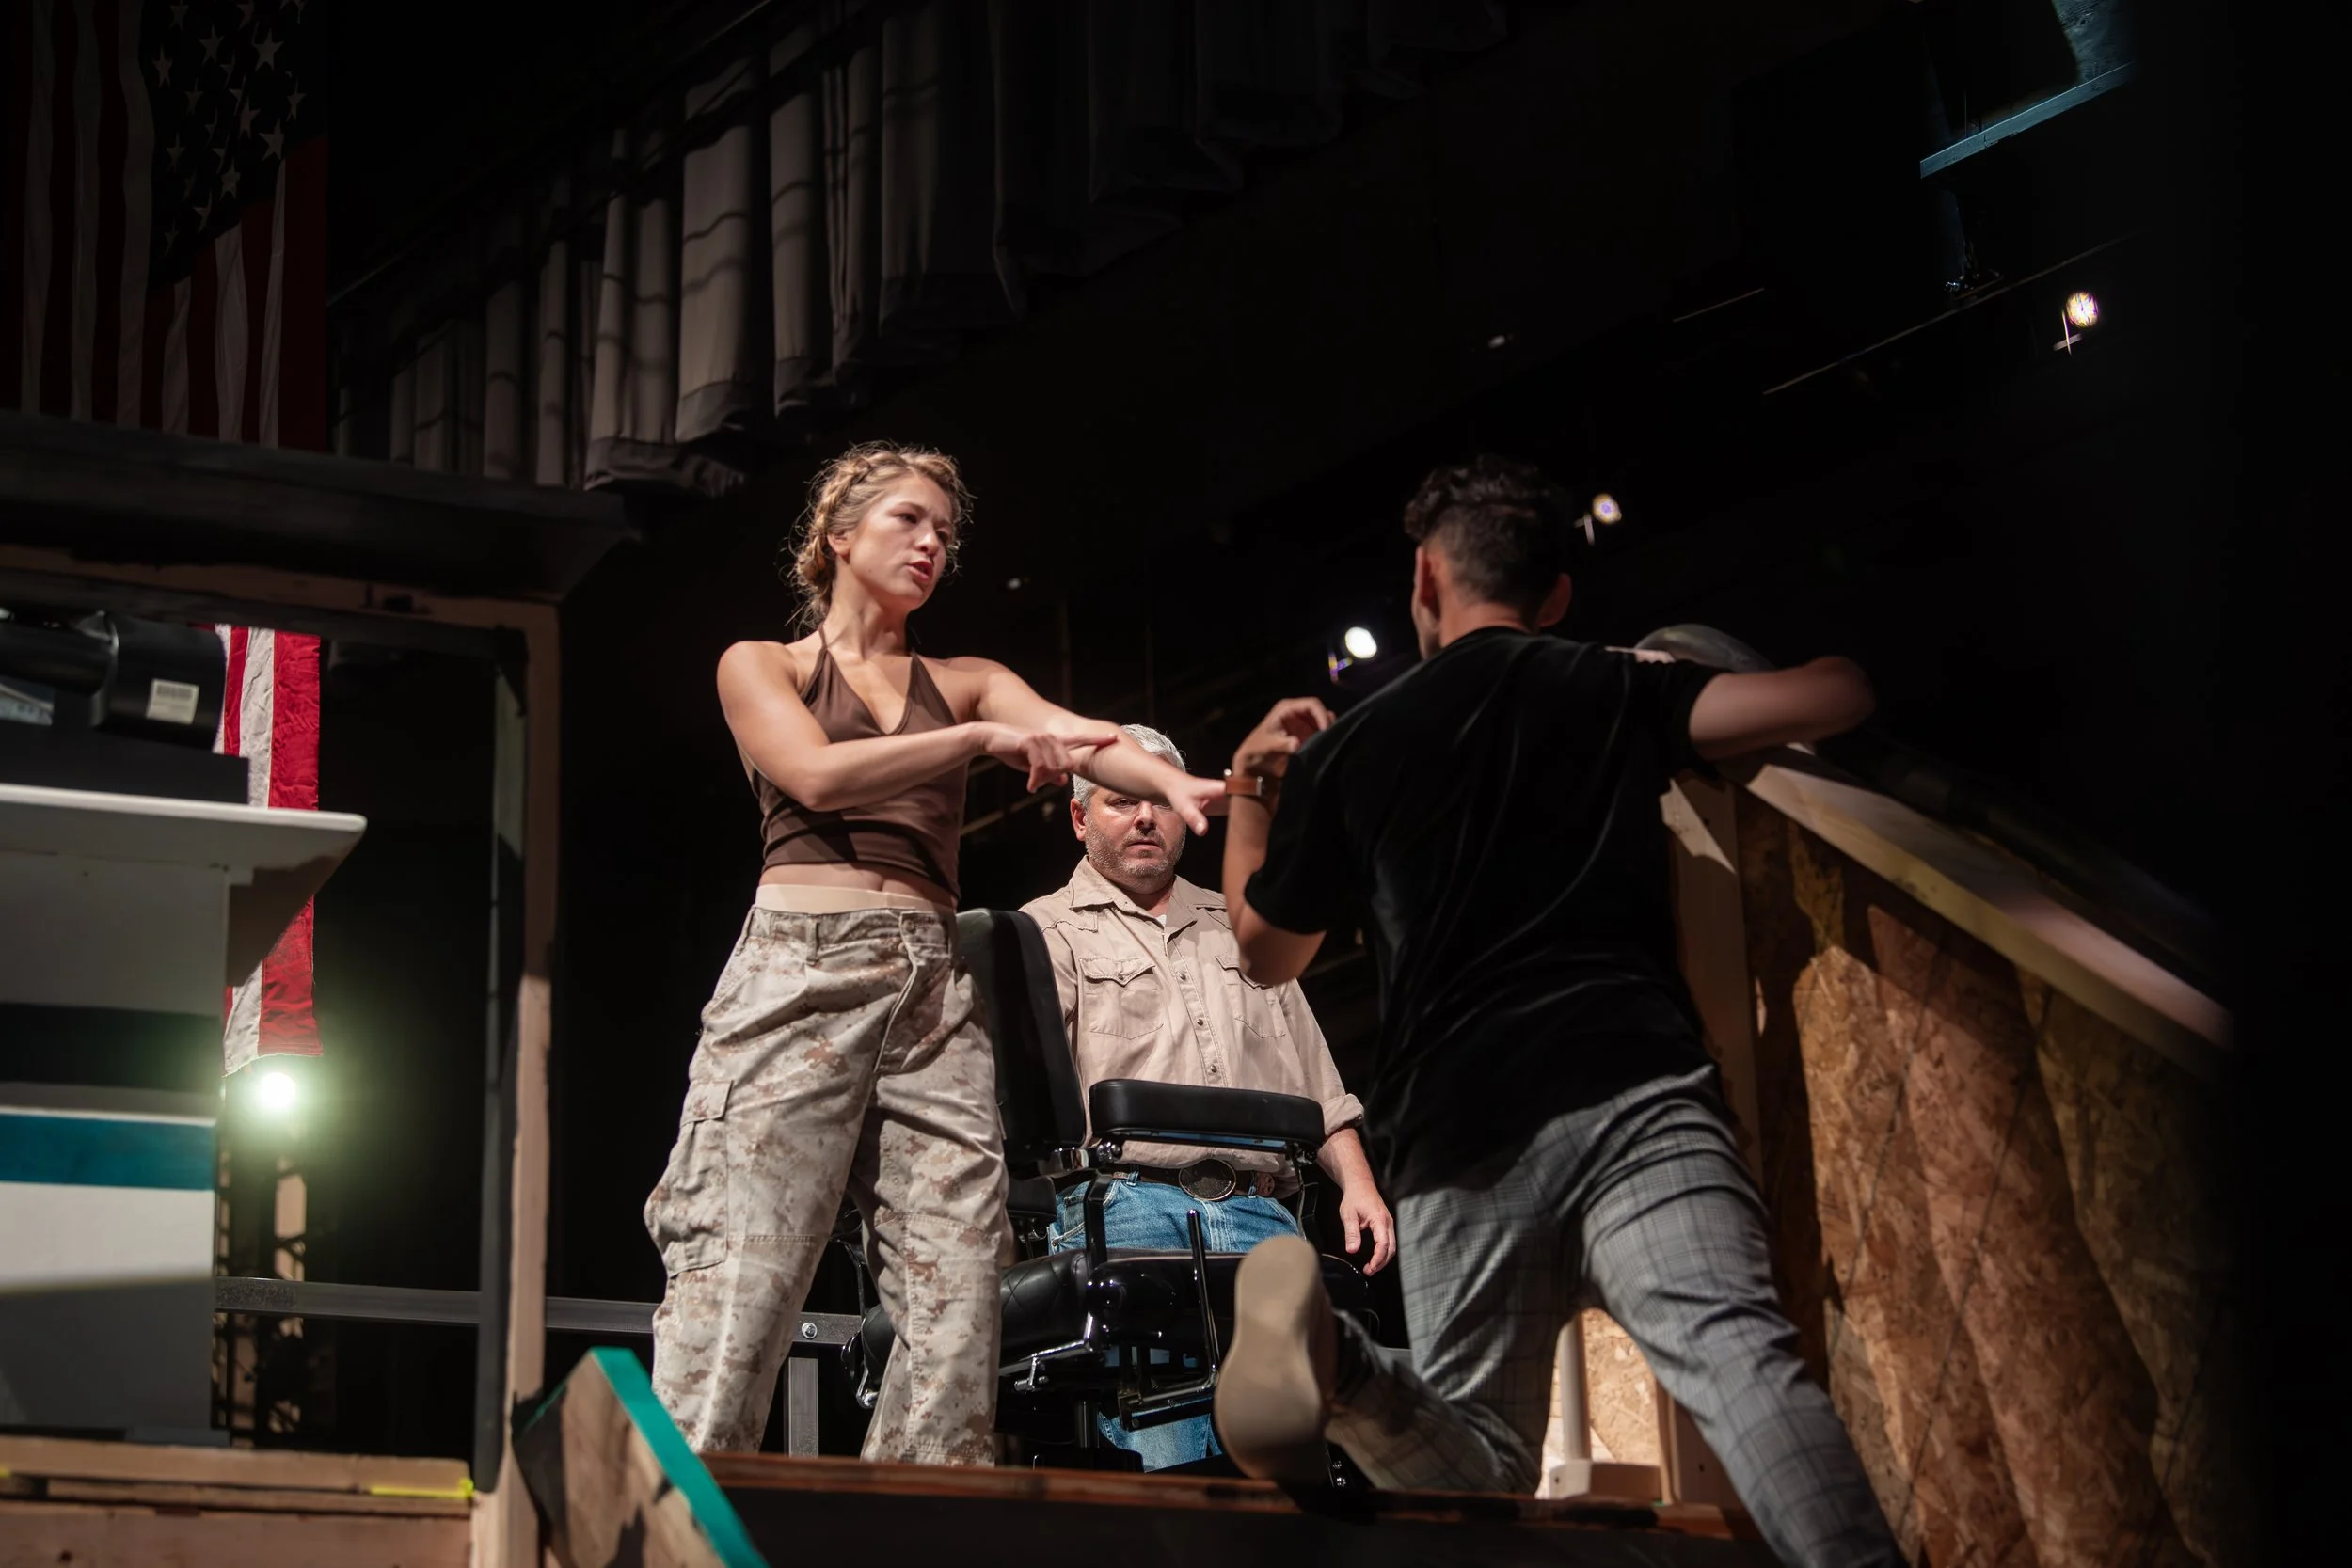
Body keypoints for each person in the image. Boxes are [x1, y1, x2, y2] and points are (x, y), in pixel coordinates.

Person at [1212, 455, 1904, 1567]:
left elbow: (1262, 948)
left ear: (1425, 580)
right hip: (1628, 1087)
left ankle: (1339, 1368)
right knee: (1739, 1365)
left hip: (1453, 1131)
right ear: (1559, 593)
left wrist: (1252, 786)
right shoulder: (1606, 680)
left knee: (1481, 1462)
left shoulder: (1352, 750)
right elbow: (1836, 694)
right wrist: (1678, 666)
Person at [643, 442, 1227, 1463]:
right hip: (801, 970)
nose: (931, 545)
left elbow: (1076, 736)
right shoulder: (764, 664)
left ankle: (915, 1511)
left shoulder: (966, 678)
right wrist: (970, 744)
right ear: (838, 534)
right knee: (743, 1271)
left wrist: (1175, 785)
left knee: (963, 1273)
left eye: (945, 534)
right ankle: (678, 1517)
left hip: (929, 980)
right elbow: (817, 777)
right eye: (909, 521)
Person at [1019, 722, 1395, 1471]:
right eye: (1124, 802)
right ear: (1081, 816)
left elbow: (1314, 1080)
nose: (1147, 818)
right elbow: (1023, 1105)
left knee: (1301, 1456)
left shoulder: (1239, 926)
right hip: (1129, 1209)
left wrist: (1356, 1181)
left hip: (1263, 1209)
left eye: (1159, 800)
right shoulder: (1046, 931)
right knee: (1182, 1456)